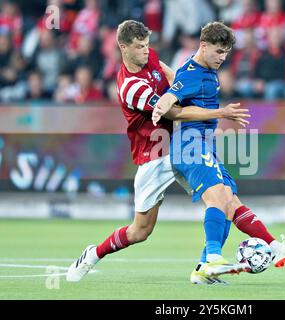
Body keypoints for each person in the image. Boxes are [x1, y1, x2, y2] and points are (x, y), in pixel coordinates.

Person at [66, 20, 250, 283]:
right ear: (123, 47)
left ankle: (207, 266)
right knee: (140, 231)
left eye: (147, 45)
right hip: (154, 156)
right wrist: (218, 112)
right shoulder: (131, 88)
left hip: (183, 146)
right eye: (139, 47)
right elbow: (173, 111)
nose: (146, 51)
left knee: (224, 199)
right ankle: (93, 253)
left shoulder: (149, 56)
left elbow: (171, 76)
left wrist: (185, 84)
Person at [152, 21, 285, 284]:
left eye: (226, 53)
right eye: (218, 52)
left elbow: (175, 79)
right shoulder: (194, 73)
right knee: (218, 200)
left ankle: (268, 247)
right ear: (203, 46)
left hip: (205, 147)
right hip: (190, 146)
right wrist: (162, 107)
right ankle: (212, 258)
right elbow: (171, 97)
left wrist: (157, 65)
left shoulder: (199, 68)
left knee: (230, 203)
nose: (222, 58)